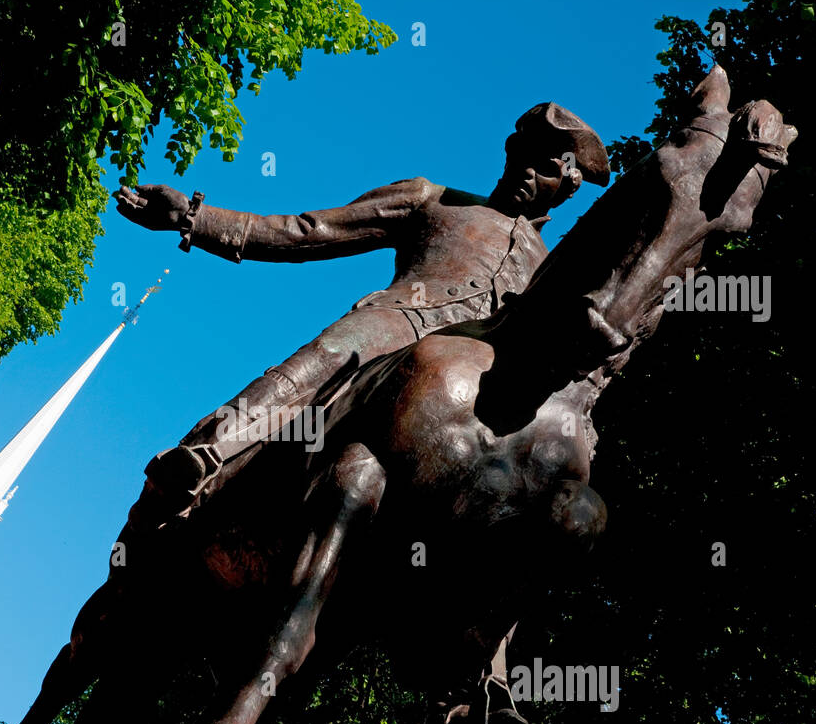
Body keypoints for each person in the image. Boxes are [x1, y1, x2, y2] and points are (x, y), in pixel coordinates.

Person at [116, 102, 609, 525]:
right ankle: (208, 458)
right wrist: (194, 219)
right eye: (522, 155)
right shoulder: (430, 198)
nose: (526, 170)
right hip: (397, 326)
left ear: (566, 187)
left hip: (474, 381)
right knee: (332, 353)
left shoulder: (549, 273)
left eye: (544, 166)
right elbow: (309, 231)